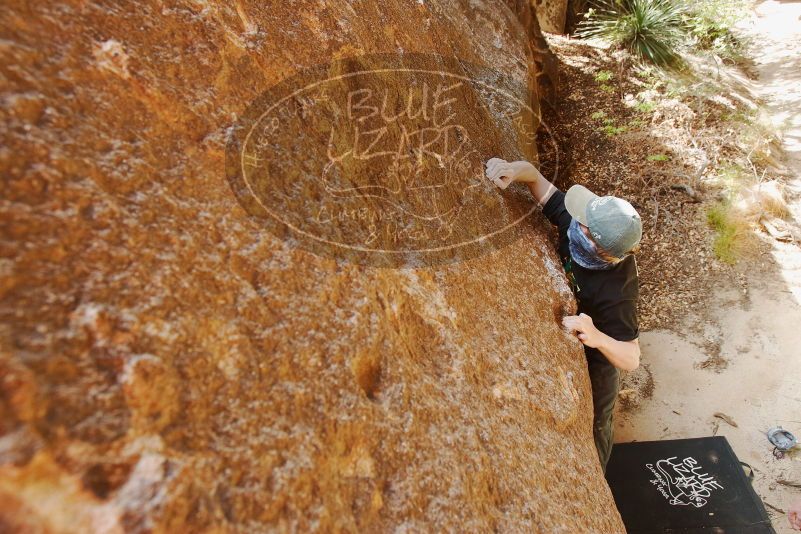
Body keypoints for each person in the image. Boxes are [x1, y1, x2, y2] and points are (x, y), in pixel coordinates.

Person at [485, 157, 643, 473]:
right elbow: (538, 183)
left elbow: (631, 358)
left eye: (582, 222)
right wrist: (515, 170)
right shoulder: (579, 228)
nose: (575, 220)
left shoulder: (616, 291)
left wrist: (596, 336)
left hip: (602, 350)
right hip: (581, 322)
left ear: (598, 246)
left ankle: (599, 473)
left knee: (597, 420)